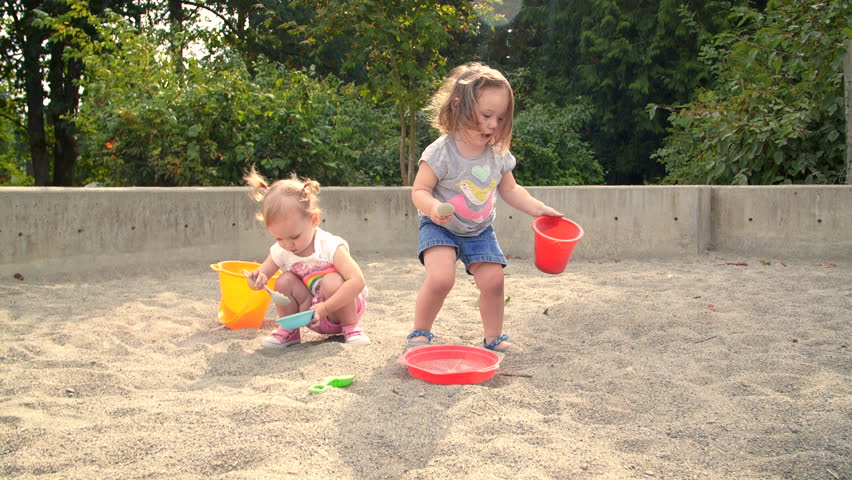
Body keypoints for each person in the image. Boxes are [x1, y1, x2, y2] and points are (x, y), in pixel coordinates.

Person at [408, 62, 563, 352]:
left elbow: (511, 189)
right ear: (459, 107)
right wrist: (434, 207)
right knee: (441, 278)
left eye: (501, 118)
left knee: (493, 281)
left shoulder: (497, 154)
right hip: (440, 226)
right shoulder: (441, 152)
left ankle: (494, 338)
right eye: (486, 115)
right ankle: (420, 333)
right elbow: (419, 190)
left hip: (479, 229)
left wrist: (539, 208)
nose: (493, 124)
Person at [244, 168, 370, 349]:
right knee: (284, 280)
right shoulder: (281, 250)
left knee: (332, 280)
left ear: (314, 220)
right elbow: (258, 277)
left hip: (340, 308)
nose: (287, 244)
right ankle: (290, 331)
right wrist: (256, 279)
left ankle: (351, 328)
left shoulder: (329, 245)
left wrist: (325, 307)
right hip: (310, 314)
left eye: (294, 237)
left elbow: (357, 281)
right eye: (279, 238)